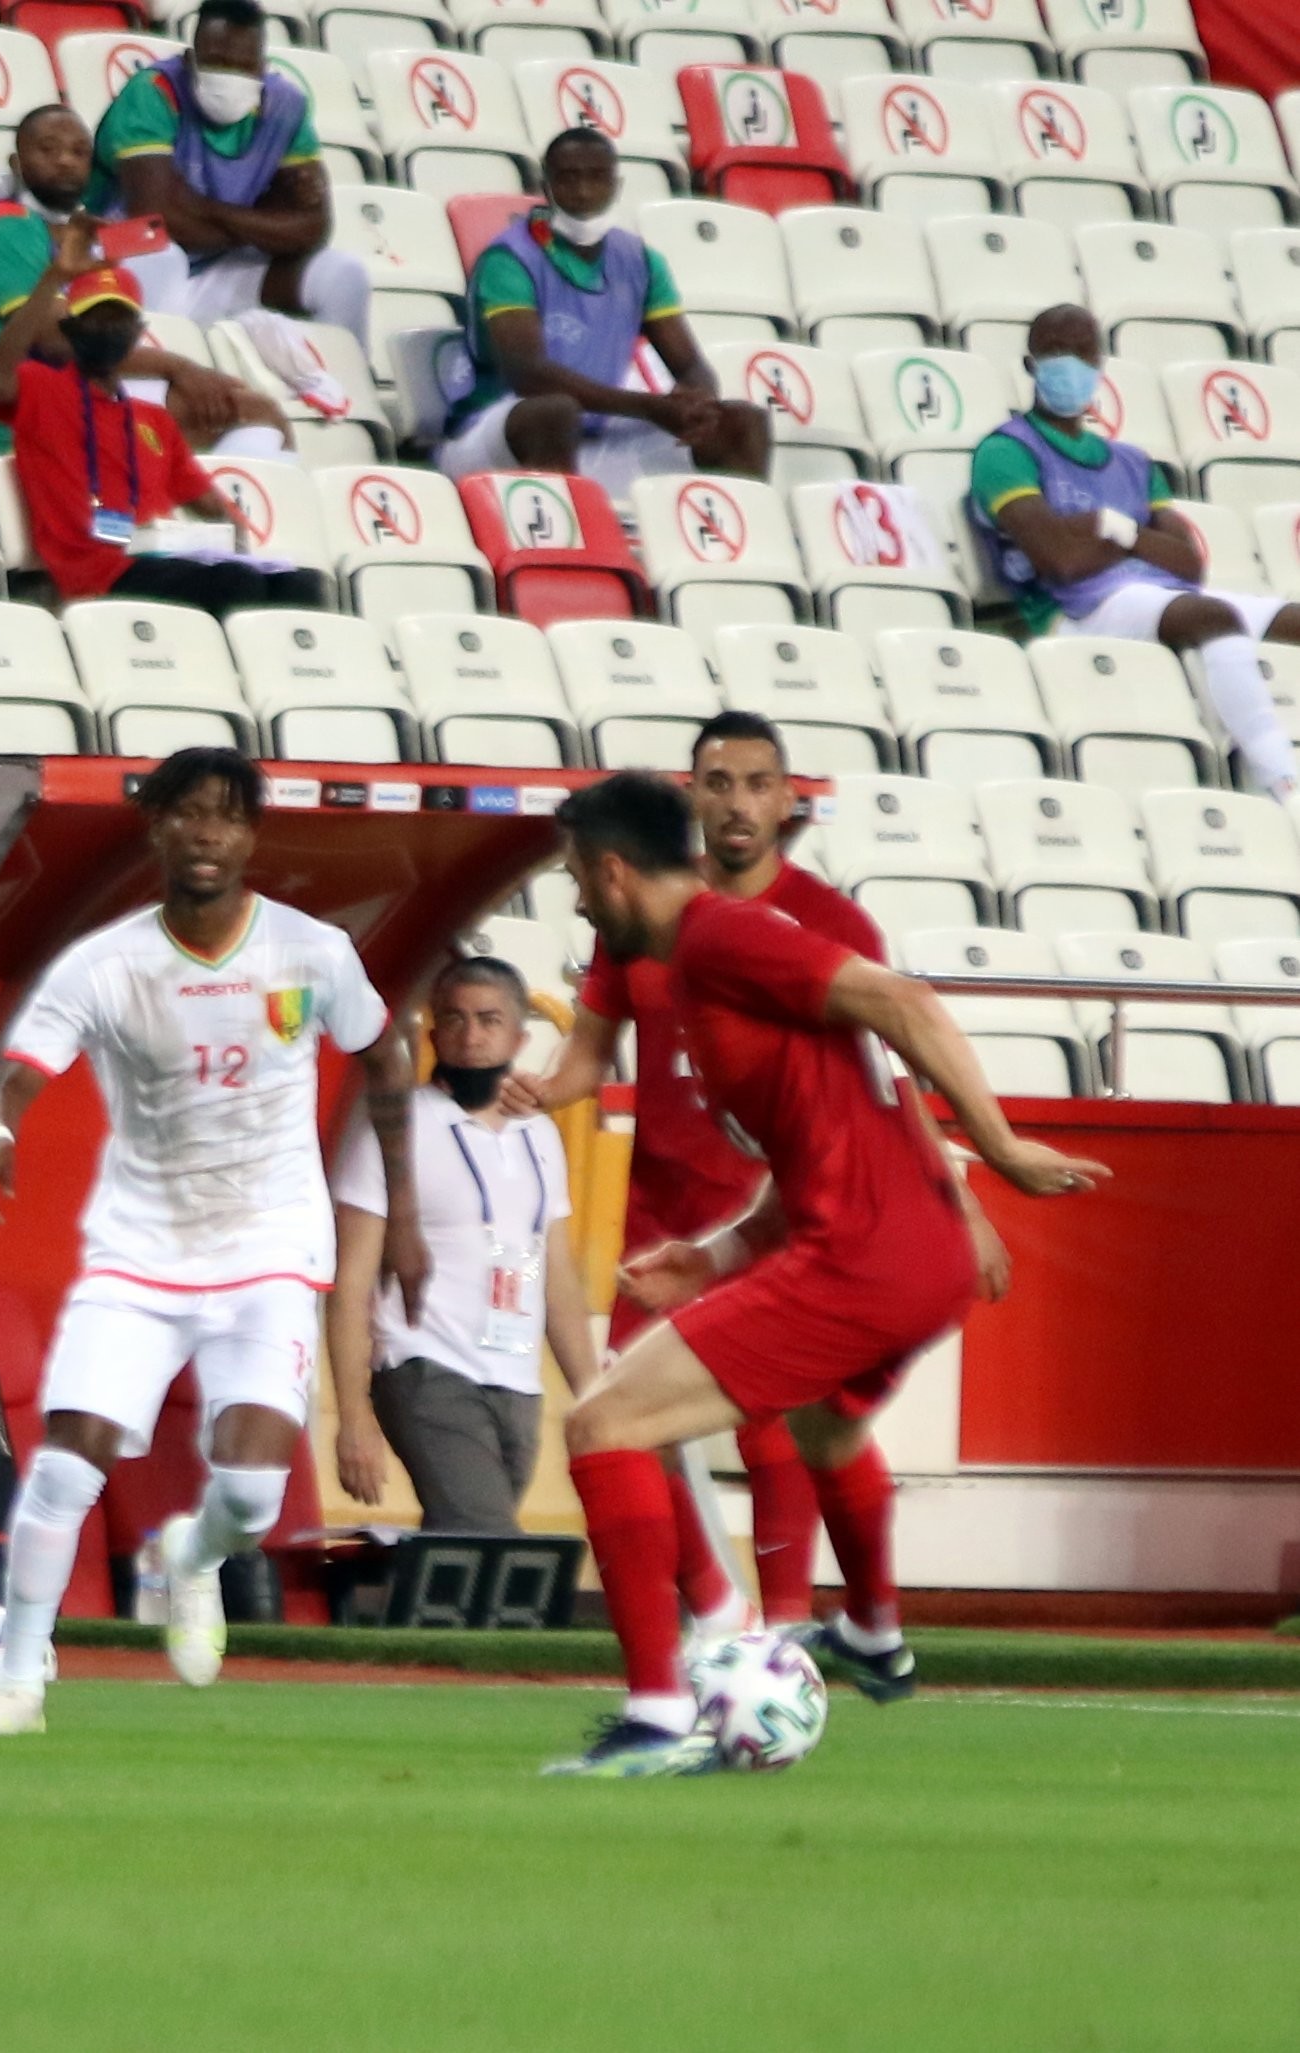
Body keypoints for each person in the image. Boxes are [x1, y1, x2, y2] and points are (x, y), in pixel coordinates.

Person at [538, 772, 1106, 1777]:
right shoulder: (707, 971)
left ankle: (659, 1715)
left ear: (614, 871)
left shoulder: (718, 936)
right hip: (899, 1249)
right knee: (823, 1426)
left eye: (579, 878)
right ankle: (874, 1635)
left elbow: (903, 999)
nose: (578, 900)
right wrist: (715, 1252)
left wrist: (1005, 1149)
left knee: (602, 1422)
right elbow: (826, 1138)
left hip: (867, 1259)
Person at [510, 712, 1012, 1660]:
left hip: (801, 1208)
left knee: (752, 1427)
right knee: (645, 1419)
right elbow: (587, 1053)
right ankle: (726, 1617)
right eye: (717, 781)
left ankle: (767, 1630)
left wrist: (973, 1182)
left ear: (787, 801)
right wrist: (531, 1089)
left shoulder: (817, 924)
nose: (736, 800)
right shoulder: (646, 931)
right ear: (691, 798)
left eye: (755, 782)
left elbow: (892, 1061)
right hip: (682, 1205)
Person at [0, 747, 429, 1736]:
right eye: (187, 815)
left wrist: (407, 1213)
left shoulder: (309, 952)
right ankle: (20, 1678)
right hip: (138, 1249)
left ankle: (192, 1555)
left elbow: (383, 1055)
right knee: (68, 1458)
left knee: (252, 1492)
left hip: (266, 1248)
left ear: (251, 836)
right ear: (155, 826)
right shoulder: (105, 962)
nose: (206, 833)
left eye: (226, 817)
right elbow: (22, 1067)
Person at [971, 302, 1300, 819]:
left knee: (1290, 619)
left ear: (1100, 365)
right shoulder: (1007, 451)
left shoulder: (1133, 463)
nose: (1068, 363)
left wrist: (1112, 529)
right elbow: (1059, 562)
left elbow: (1190, 565)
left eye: (1082, 351)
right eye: (1055, 350)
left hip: (1153, 595)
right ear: (1031, 362)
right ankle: (1286, 785)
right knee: (1215, 617)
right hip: (1075, 611)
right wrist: (1135, 537)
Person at [330, 957, 595, 1536]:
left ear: (520, 1035)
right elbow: (350, 1284)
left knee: (465, 1537)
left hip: (517, 1380)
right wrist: (353, 1417)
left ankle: (402, 1622)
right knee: (486, 1535)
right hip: (426, 1365)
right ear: (433, 1033)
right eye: (454, 1019)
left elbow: (560, 1283)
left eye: (488, 1020)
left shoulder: (541, 1133)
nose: (471, 1036)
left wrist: (596, 1395)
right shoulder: (394, 1125)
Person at [0, 104, 293, 463]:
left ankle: (205, 512)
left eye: (79, 152)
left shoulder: (85, 234)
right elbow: (58, 342)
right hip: (18, 418)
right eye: (47, 148)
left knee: (253, 412)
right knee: (248, 412)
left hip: (89, 398)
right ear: (16, 163)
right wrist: (179, 368)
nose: (64, 160)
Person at [0, 244, 324, 616]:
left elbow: (207, 501)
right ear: (69, 330)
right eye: (94, 319)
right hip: (94, 573)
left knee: (300, 583)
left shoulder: (152, 419)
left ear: (138, 332)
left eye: (118, 321)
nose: (106, 331)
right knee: (235, 584)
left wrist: (234, 536)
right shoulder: (42, 389)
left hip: (157, 557)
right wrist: (53, 279)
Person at [436, 127, 770, 496]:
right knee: (553, 411)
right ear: (545, 185)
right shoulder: (509, 259)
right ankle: (565, 546)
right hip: (494, 434)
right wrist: (650, 407)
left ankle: (745, 545)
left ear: (616, 185)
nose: (582, 193)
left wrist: (698, 402)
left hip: (596, 434)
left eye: (596, 179)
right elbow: (528, 375)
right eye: (568, 178)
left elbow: (690, 365)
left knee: (742, 422)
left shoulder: (640, 261)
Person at [89, 0, 369, 342]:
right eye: (218, 62)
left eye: (245, 66)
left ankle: (340, 392)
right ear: (191, 59)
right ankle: (152, 382)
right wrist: (266, 220)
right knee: (162, 252)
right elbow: (154, 219)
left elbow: (313, 228)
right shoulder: (153, 92)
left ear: (262, 68)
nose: (231, 76)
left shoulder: (286, 106)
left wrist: (200, 208)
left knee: (343, 274)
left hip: (223, 265)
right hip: (120, 253)